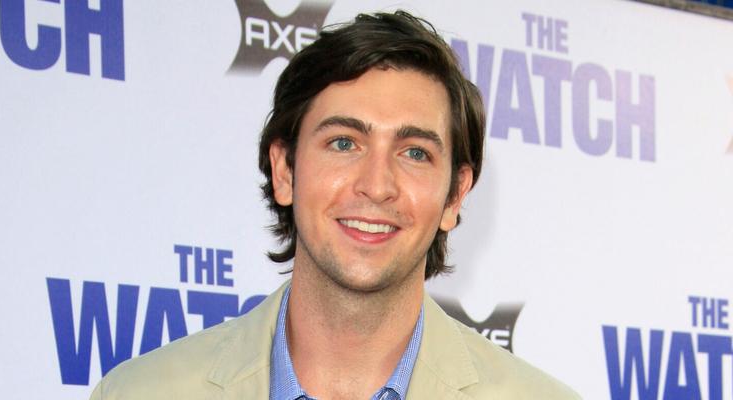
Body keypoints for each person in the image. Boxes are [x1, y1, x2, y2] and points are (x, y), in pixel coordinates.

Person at [90, 10, 581, 400]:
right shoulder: (138, 394)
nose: (376, 185)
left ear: (454, 196)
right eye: (344, 143)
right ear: (285, 171)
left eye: (415, 153)